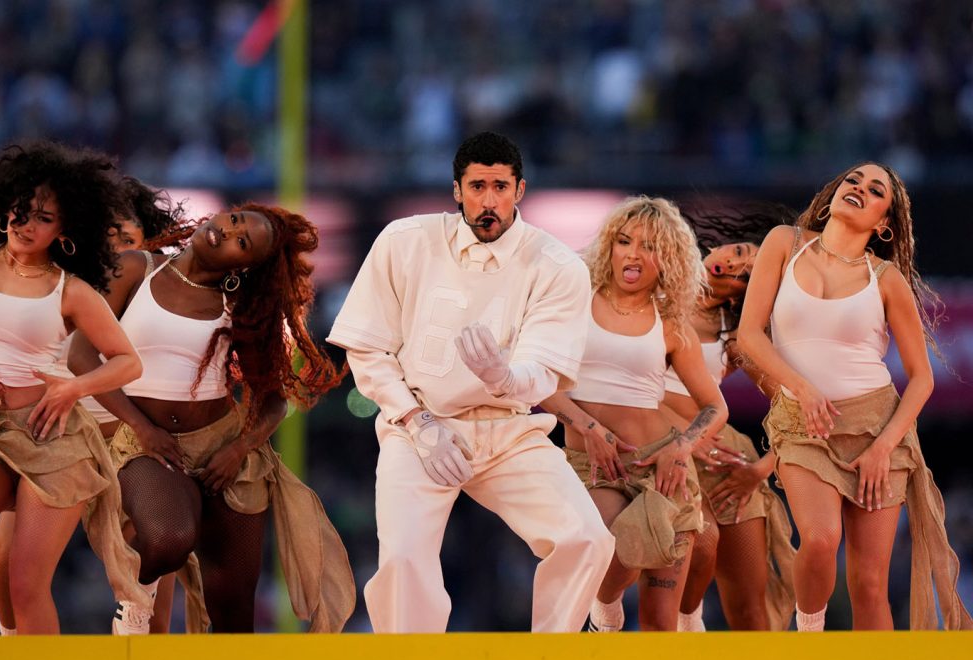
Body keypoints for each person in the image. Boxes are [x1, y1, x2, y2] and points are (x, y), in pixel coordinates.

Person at [327, 131, 614, 633]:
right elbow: (368, 347)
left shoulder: (558, 265)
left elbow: (544, 372)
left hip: (509, 431)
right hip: (418, 427)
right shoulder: (404, 240)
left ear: (520, 190)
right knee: (403, 561)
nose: (489, 200)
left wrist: (504, 378)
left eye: (500, 187)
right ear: (456, 190)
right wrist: (415, 419)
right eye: (477, 186)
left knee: (586, 538)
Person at [72, 202, 354, 634]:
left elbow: (274, 402)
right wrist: (141, 427)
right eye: (235, 221)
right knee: (168, 538)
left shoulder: (241, 306)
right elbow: (80, 355)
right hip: (146, 442)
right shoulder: (135, 269)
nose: (229, 232)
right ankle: (135, 603)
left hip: (223, 451)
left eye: (243, 243)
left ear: (244, 267)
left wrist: (239, 449)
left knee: (234, 608)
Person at [738, 162, 972, 630]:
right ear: (833, 193)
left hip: (877, 428)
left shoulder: (886, 278)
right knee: (821, 538)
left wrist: (884, 448)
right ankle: (810, 635)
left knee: (868, 583)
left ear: (884, 224)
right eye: (853, 181)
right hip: (803, 421)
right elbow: (749, 336)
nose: (859, 189)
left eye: (875, 190)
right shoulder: (784, 243)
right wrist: (802, 389)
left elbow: (921, 378)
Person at [0, 141, 150, 635]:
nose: (25, 223)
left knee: (24, 586)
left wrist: (73, 389)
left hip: (53, 440)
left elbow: (128, 362)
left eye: (43, 218)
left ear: (64, 230)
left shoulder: (71, 291)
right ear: (4, 205)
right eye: (21, 208)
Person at [0, 176, 183, 636]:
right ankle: (13, 647)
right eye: (106, 235)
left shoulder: (155, 291)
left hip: (126, 438)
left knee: (154, 552)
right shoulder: (56, 280)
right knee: (7, 557)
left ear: (146, 244)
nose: (115, 247)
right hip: (53, 435)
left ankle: (148, 657)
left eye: (127, 238)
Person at [540, 195, 728, 631]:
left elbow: (715, 406)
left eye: (650, 246)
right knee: (612, 551)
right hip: (596, 466)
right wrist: (588, 427)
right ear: (609, 246)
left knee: (660, 623)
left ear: (668, 260)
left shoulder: (672, 325)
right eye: (624, 241)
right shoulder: (574, 302)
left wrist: (682, 448)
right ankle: (604, 610)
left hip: (663, 468)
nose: (633, 254)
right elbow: (539, 382)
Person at [659, 203, 797, 631]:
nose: (734, 263)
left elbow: (796, 407)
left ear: (743, 294)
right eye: (738, 251)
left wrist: (759, 470)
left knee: (750, 611)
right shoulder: (650, 295)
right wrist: (680, 433)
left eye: (745, 273)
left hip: (724, 466)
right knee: (687, 563)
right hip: (660, 453)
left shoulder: (735, 336)